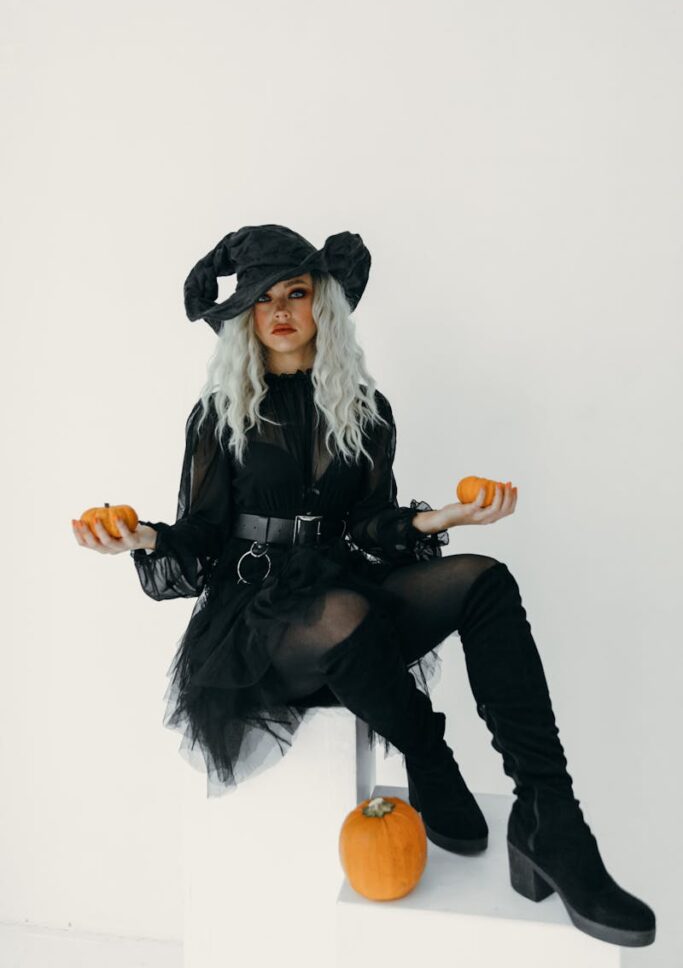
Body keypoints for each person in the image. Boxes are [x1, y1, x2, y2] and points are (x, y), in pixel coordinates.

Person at [71, 224, 655, 948]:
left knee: (484, 581)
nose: (280, 311)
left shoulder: (366, 411)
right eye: (262, 299)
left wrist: (443, 517)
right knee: (341, 612)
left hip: (347, 604)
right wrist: (145, 539)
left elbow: (367, 528)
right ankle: (426, 749)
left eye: (298, 293)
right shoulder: (218, 415)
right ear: (244, 316)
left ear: (325, 307)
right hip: (261, 630)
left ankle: (551, 816)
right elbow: (200, 538)